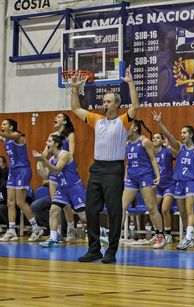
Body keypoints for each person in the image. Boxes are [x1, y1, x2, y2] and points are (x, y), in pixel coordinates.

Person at [70, 65, 139, 263]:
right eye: (104, 101)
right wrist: (75, 88)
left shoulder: (124, 121)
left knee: (114, 211)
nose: (104, 103)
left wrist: (131, 84)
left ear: (116, 104)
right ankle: (94, 249)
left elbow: (135, 106)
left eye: (108, 101)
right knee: (90, 209)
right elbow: (75, 108)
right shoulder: (97, 120)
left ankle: (111, 252)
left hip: (114, 170)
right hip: (97, 169)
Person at [152, 110, 194, 251]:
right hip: (179, 182)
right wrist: (159, 122)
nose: (182, 135)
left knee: (189, 209)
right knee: (182, 212)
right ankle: (191, 236)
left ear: (191, 135)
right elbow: (168, 135)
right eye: (181, 133)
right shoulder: (180, 148)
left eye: (184, 133)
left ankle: (188, 238)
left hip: (191, 182)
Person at [33, 134, 87, 248]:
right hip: (62, 189)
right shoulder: (52, 159)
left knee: (83, 215)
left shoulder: (65, 154)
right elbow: (45, 175)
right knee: (53, 210)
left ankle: (99, 232)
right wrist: (39, 161)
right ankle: (53, 238)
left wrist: (43, 159)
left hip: (74, 188)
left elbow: (57, 170)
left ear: (56, 144)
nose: (46, 143)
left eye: (49, 141)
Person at [121, 120, 166, 248]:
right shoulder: (127, 144)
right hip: (131, 178)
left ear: (135, 128)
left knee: (151, 208)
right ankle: (115, 236)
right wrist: (125, 177)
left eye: (127, 127)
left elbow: (153, 159)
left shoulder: (145, 141)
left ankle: (160, 236)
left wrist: (157, 176)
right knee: (121, 206)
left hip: (145, 177)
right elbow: (128, 163)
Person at [40, 113, 78, 241]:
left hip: (66, 170)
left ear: (65, 121)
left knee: (66, 204)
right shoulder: (51, 136)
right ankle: (56, 233)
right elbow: (45, 152)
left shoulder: (69, 135)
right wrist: (41, 159)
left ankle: (71, 229)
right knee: (55, 203)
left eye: (59, 116)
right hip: (54, 170)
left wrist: (61, 163)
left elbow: (71, 153)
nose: (55, 118)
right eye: (55, 116)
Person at [152, 133, 176, 243]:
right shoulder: (151, 153)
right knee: (152, 209)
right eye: (153, 138)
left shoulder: (166, 151)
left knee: (165, 209)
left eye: (158, 138)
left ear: (162, 140)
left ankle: (168, 234)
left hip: (169, 184)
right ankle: (158, 233)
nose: (155, 139)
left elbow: (178, 156)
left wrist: (169, 147)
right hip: (157, 186)